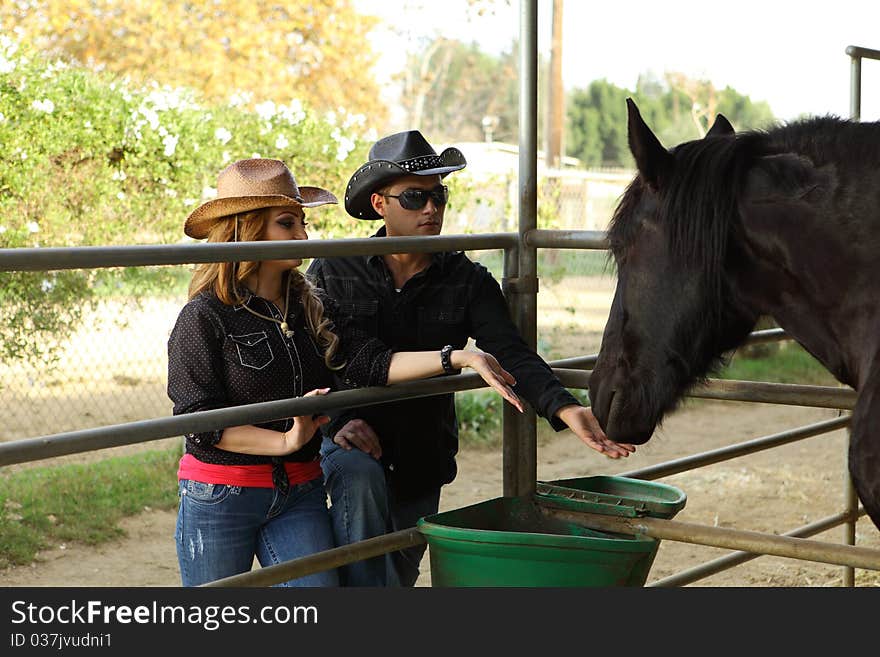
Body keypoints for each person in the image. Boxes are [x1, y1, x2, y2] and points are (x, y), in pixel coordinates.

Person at [166, 157, 523, 587]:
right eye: (287, 224)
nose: (303, 236)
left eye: (302, 223)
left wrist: (459, 358)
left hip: (299, 489)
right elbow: (198, 422)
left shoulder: (308, 305)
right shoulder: (205, 316)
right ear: (247, 230)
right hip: (224, 490)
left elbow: (365, 364)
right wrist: (287, 440)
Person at [307, 130, 637, 587]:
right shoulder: (333, 268)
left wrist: (566, 408)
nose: (431, 209)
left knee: (399, 571)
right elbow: (318, 356)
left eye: (438, 195)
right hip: (348, 441)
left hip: (421, 449)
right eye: (415, 197)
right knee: (365, 550)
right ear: (380, 204)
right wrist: (337, 417)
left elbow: (511, 352)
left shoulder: (467, 280)